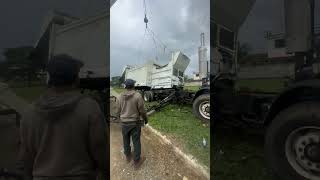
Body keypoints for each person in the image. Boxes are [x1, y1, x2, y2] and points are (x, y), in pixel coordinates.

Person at [16, 54, 108, 180]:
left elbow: (25, 157)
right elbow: (100, 148)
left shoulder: (30, 112)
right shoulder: (89, 108)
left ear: (50, 80)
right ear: (76, 79)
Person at [116, 79, 148, 170]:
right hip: (135, 123)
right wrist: (145, 119)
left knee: (125, 140)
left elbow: (117, 111)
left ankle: (128, 157)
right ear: (134, 85)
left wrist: (120, 120)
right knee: (136, 141)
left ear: (125, 86)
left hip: (124, 123)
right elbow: (142, 110)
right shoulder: (138, 96)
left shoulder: (119, 97)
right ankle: (136, 162)